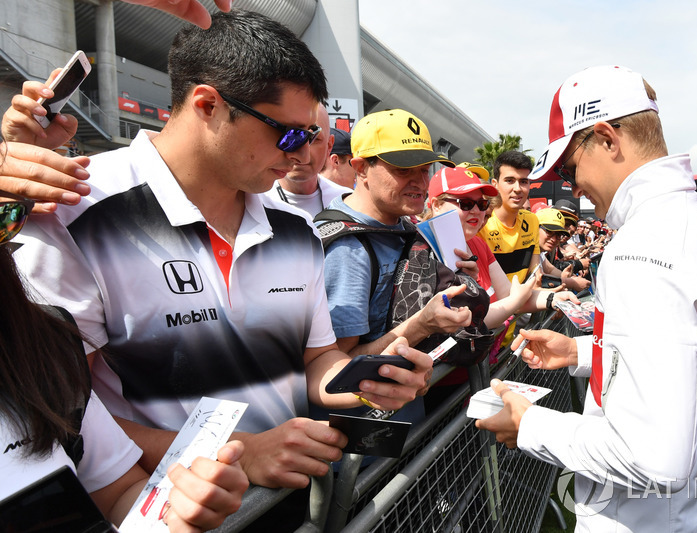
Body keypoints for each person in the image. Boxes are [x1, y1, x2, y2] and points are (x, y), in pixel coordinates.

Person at [6, 11, 430, 508]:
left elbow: (316, 359)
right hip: (163, 508)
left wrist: (368, 381)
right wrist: (240, 454)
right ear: (208, 104)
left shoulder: (294, 228)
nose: (301, 157)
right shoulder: (76, 209)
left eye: (311, 138)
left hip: (291, 501)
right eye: (289, 135)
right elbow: (60, 408)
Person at [476, 65, 697, 532]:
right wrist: (581, 349)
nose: (571, 185)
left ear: (607, 138)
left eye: (568, 166)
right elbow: (686, 352)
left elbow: (652, 459)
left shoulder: (645, 246)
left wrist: (530, 426)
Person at [0, 184, 248, 530]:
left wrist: (173, 514)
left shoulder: (43, 348)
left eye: (5, 220)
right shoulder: (93, 209)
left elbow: (119, 491)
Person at [319, 108, 475, 357]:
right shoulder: (347, 249)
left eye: (425, 169)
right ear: (361, 169)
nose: (421, 183)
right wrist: (421, 326)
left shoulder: (407, 227)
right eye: (404, 170)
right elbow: (337, 363)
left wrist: (458, 280)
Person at [425, 166, 575, 328]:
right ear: (436, 205)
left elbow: (508, 294)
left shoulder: (477, 243)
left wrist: (553, 298)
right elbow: (466, 322)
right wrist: (516, 301)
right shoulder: (421, 251)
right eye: (466, 204)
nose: (477, 211)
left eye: (482, 204)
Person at [265, 103, 350, 217]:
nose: (301, 152)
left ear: (329, 145)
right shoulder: (253, 200)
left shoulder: (347, 202)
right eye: (293, 135)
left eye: (314, 139)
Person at [478, 150, 540, 283]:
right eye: (510, 181)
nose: (517, 188)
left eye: (523, 181)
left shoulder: (532, 220)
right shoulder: (481, 223)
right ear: (495, 184)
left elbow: (535, 275)